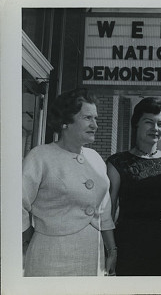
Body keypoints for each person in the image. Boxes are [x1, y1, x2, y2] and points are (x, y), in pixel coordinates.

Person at [22, 88, 117, 276]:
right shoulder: (40, 156)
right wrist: (28, 239)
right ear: (65, 122)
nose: (95, 125)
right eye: (88, 118)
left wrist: (112, 249)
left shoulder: (95, 158)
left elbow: (104, 211)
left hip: (92, 255)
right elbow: (16, 204)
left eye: (95, 118)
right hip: (51, 256)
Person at [107, 97, 161, 276]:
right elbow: (109, 210)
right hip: (128, 243)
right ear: (136, 124)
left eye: (160, 124)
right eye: (149, 122)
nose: (155, 129)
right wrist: (111, 250)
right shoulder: (117, 162)